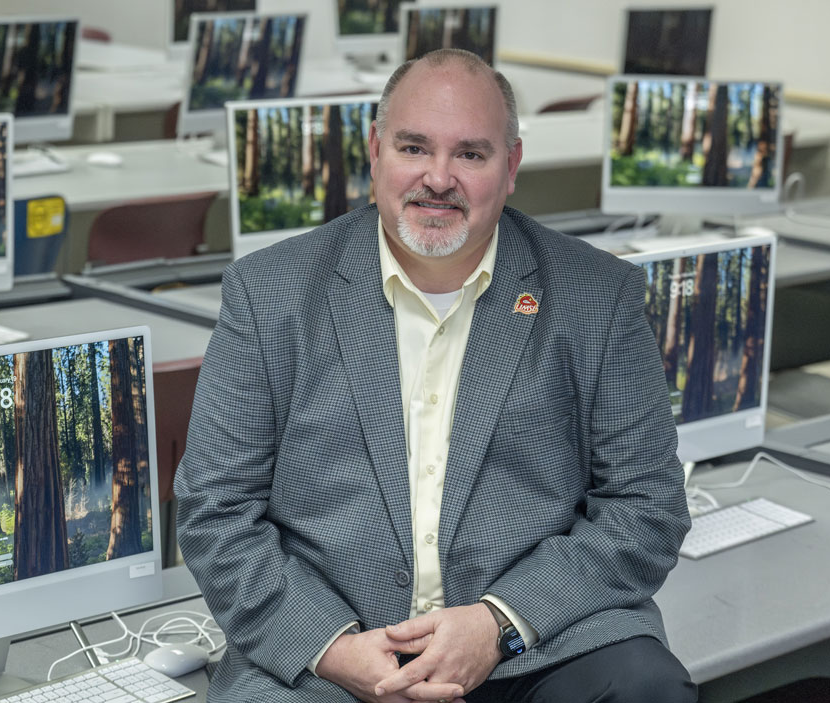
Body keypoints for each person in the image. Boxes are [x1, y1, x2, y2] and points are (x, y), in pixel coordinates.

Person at [175, 48, 695, 702]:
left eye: (471, 155)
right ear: (375, 151)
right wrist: (335, 648)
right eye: (414, 147)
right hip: (337, 649)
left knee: (647, 686)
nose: (438, 177)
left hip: (532, 646)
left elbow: (647, 507)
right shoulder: (269, 293)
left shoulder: (598, 296)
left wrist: (498, 623)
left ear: (511, 168)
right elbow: (215, 510)